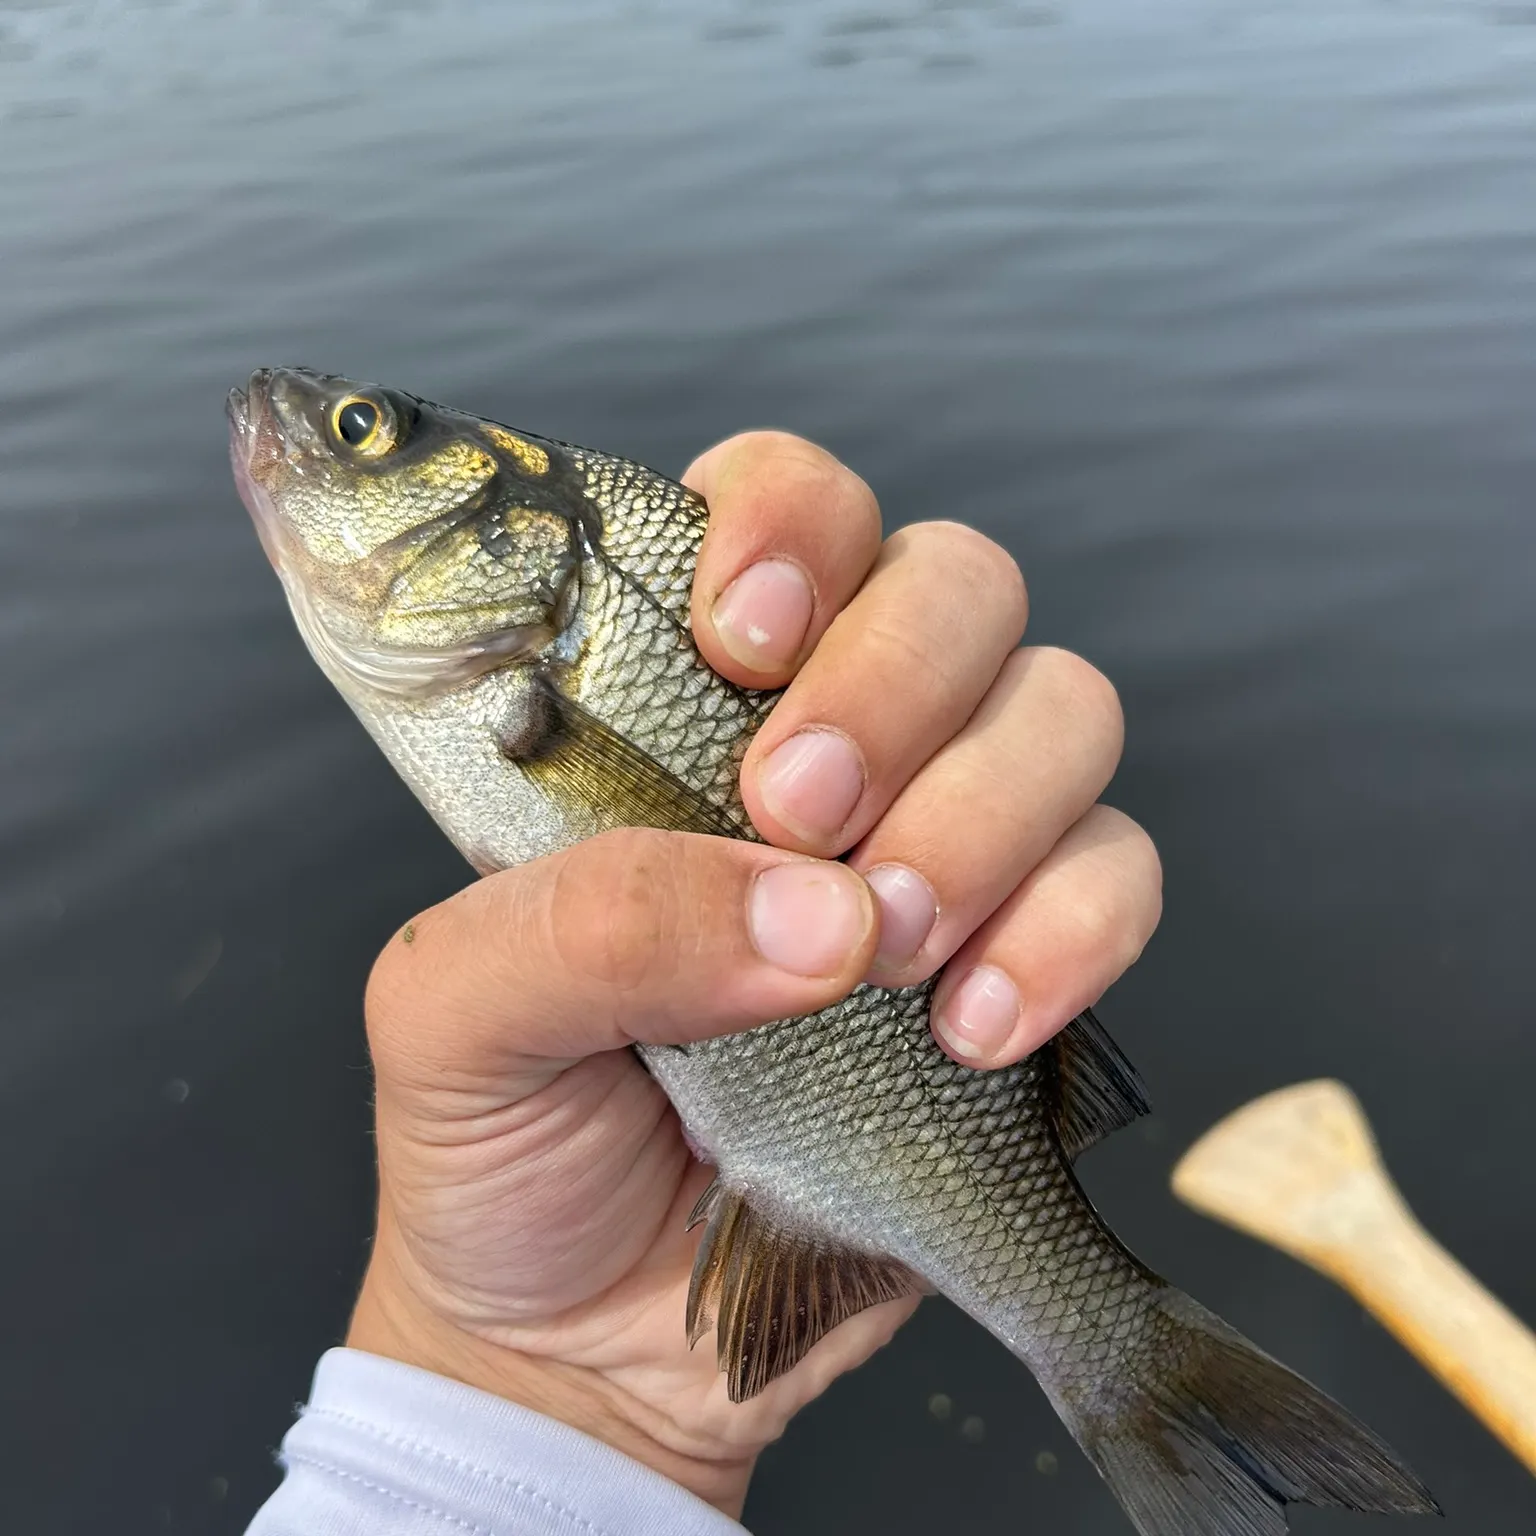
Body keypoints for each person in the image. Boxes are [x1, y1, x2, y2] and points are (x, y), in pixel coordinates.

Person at [246, 432, 1162, 1534]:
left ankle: (1127, 1358)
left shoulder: (536, 674)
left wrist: (508, 1390)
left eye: (359, 434)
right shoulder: (519, 677)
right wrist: (525, 1385)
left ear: (518, 537)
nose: (299, 433)